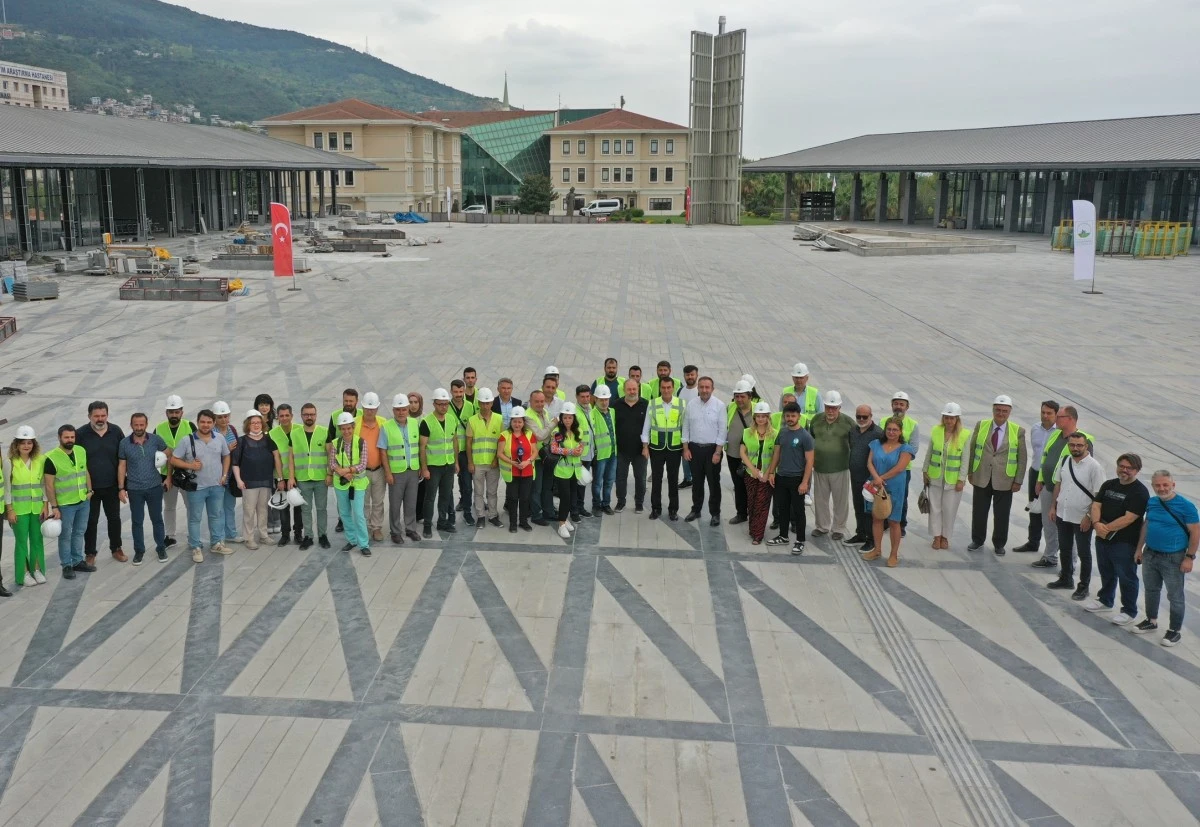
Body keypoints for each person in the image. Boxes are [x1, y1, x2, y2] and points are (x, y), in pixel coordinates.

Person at [1134, 470, 1199, 646]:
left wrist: (1189, 557)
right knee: (1151, 589)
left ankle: (1174, 630)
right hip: (1151, 553)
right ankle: (1151, 620)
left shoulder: (1186, 506)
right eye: (1157, 485)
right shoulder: (1153, 502)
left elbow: (1195, 533)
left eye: (1165, 485)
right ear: (1153, 486)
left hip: (1174, 557)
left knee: (1175, 595)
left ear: (1173, 485)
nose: (1161, 488)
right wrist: (1139, 548)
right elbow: (1147, 525)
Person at [1085, 453, 1148, 625]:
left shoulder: (1140, 492)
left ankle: (1129, 611)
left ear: (1137, 470)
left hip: (1124, 542)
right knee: (1106, 571)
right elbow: (1096, 505)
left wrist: (1106, 528)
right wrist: (1097, 523)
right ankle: (1105, 600)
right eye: (1122, 466)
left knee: (1126, 576)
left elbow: (1130, 518)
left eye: (1129, 468)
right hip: (1102, 538)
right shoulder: (1109, 484)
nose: (1124, 470)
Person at [1031, 406, 1094, 570]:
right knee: (1048, 523)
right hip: (1049, 487)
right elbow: (1045, 458)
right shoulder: (1055, 435)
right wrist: (1040, 480)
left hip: (1067, 492)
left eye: (1059, 417)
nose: (1055, 420)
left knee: (1067, 528)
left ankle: (1071, 563)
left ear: (1071, 419)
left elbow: (1085, 469)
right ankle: (1049, 556)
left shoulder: (1084, 440)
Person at [1047, 432, 1106, 599]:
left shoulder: (1095, 467)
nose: (1075, 448)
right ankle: (1066, 578)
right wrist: (1053, 506)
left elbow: (1099, 496)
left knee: (1083, 552)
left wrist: (1089, 517)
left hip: (1082, 517)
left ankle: (1083, 586)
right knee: (1064, 548)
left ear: (1086, 446)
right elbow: (1058, 484)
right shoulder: (1064, 461)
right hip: (1062, 513)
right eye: (1072, 445)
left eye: (1079, 445)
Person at [967, 395, 1028, 555]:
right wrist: (970, 472)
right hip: (981, 476)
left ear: (1010, 412)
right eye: (998, 410)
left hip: (1005, 479)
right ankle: (977, 540)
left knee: (1002, 514)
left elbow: (1022, 458)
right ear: (993, 409)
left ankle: (999, 543)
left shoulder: (1018, 431)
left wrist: (1018, 480)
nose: (1001, 413)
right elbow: (972, 450)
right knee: (979, 511)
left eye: (1004, 411)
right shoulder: (981, 425)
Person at [169, 409, 232, 563]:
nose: (205, 425)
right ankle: (195, 546)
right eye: (203, 422)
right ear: (197, 422)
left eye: (209, 422)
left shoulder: (220, 438)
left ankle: (216, 543)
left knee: (216, 515)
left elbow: (226, 456)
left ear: (213, 423)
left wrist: (224, 475)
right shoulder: (187, 440)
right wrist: (190, 465)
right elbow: (174, 459)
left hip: (216, 485)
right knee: (195, 518)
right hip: (196, 487)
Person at [77, 401, 126, 565]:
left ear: (107, 415)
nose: (100, 419)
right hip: (90, 489)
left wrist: (122, 486)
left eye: (103, 415)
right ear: (89, 415)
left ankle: (116, 548)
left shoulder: (116, 431)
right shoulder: (81, 434)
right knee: (91, 521)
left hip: (112, 486)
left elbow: (123, 459)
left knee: (114, 518)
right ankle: (90, 553)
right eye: (96, 416)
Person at [863, 416, 916, 567]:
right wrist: (876, 478)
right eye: (889, 429)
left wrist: (880, 478)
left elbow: (900, 468)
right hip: (877, 486)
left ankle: (893, 554)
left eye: (895, 430)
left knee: (894, 521)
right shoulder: (875, 444)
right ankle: (877, 549)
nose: (891, 432)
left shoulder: (905, 449)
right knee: (877, 518)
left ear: (900, 432)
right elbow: (869, 463)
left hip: (895, 488)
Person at [118, 413, 169, 565]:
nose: (139, 428)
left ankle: (161, 547)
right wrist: (121, 488)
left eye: (142, 425)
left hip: (154, 487)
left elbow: (169, 454)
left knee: (157, 519)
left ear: (146, 425)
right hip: (134, 489)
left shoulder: (155, 440)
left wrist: (168, 477)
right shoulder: (124, 443)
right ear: (131, 425)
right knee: (137, 521)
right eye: (136, 425)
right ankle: (139, 551)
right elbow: (122, 466)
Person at [765, 402, 815, 555]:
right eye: (787, 416)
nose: (790, 418)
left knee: (799, 511)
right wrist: (772, 472)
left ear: (799, 416)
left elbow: (810, 461)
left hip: (797, 479)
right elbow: (777, 454)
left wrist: (805, 482)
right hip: (782, 477)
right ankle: (783, 535)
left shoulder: (805, 436)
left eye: (793, 416)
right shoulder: (782, 432)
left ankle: (800, 540)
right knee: (783, 508)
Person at [44, 424, 93, 577]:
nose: (70, 440)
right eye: (66, 437)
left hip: (83, 500)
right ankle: (66, 565)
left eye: (72, 437)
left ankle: (78, 561)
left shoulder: (81, 450)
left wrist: (90, 491)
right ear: (59, 438)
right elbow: (49, 485)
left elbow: (85, 471)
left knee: (79, 532)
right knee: (65, 535)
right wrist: (55, 507)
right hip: (65, 504)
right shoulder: (51, 457)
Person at [231, 410, 284, 551]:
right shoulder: (242, 441)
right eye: (253, 422)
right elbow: (235, 463)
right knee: (249, 511)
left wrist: (280, 477)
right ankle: (248, 538)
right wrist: (238, 480)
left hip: (265, 481)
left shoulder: (268, 440)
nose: (256, 425)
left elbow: (276, 457)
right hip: (249, 483)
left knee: (263, 510)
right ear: (248, 424)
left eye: (258, 422)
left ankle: (263, 535)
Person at [922, 403, 971, 550]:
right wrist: (925, 470)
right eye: (946, 417)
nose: (949, 421)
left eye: (952, 418)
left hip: (953, 479)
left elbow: (965, 459)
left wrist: (962, 479)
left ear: (957, 419)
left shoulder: (964, 435)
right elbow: (929, 452)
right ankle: (936, 536)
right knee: (935, 507)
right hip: (935, 475)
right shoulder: (936, 430)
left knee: (949, 509)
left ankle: (945, 537)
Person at [1014, 401, 1059, 554]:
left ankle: (1051, 548)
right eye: (1043, 412)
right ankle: (1033, 542)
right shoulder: (1035, 428)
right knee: (1034, 508)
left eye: (1049, 413)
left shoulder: (1059, 432)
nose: (1045, 416)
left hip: (1052, 477)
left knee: (1050, 512)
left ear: (1056, 415)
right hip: (1035, 472)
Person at [808, 390, 854, 540]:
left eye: (834, 407)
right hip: (820, 467)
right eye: (828, 407)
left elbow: (855, 442)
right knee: (820, 499)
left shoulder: (848, 422)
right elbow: (811, 438)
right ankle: (822, 526)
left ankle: (839, 528)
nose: (831, 411)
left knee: (840, 499)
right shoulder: (816, 419)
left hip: (840, 468)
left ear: (840, 407)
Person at [4, 426, 47, 586]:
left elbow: (43, 484)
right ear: (16, 444)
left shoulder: (39, 460)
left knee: (37, 539)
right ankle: (24, 574)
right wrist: (10, 510)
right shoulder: (10, 463)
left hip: (36, 508)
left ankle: (37, 570)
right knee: (22, 542)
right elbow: (8, 488)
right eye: (23, 443)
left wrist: (45, 505)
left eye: (29, 442)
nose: (26, 446)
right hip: (18, 510)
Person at [682, 375, 726, 526]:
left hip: (712, 450)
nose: (704, 390)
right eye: (701, 387)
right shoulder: (691, 405)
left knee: (714, 483)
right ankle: (696, 509)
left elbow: (722, 431)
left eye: (707, 387)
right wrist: (686, 448)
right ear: (698, 389)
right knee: (697, 483)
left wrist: (718, 452)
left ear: (712, 389)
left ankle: (715, 513)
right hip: (694, 449)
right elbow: (686, 427)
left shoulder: (719, 406)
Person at [642, 375, 685, 520]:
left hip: (674, 448)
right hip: (657, 448)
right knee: (657, 479)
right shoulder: (652, 403)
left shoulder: (681, 404)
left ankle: (673, 509)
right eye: (663, 388)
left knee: (673, 480)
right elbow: (646, 426)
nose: (666, 390)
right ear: (660, 388)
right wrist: (645, 446)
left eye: (669, 387)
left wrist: (685, 448)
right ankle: (656, 508)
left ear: (673, 388)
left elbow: (685, 428)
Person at [381, 393, 422, 544]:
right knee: (395, 504)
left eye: (403, 409)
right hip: (396, 472)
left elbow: (418, 446)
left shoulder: (414, 423)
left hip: (412, 470)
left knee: (411, 502)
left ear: (408, 410)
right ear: (393, 410)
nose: (401, 412)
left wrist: (419, 466)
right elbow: (383, 451)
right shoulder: (386, 427)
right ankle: (395, 531)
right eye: (398, 409)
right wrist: (387, 472)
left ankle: (411, 529)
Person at [419, 388, 459, 537]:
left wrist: (456, 462)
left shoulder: (451, 419)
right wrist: (424, 468)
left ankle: (442, 522)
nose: (443, 406)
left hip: (448, 465)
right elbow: (422, 447)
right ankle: (427, 525)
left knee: (446, 495)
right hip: (433, 466)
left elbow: (454, 440)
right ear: (434, 404)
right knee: (430, 497)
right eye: (440, 404)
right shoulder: (426, 422)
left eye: (446, 404)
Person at [330, 411, 371, 556]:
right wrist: (340, 471)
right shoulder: (336, 443)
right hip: (341, 484)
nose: (346, 431)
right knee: (345, 513)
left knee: (358, 514)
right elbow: (332, 462)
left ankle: (364, 544)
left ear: (353, 427)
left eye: (349, 428)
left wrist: (348, 470)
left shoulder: (361, 442)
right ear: (340, 429)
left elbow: (363, 464)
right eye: (343, 428)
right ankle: (352, 540)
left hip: (357, 484)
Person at [291, 403, 330, 549]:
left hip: (320, 478)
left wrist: (330, 473)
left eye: (312, 414)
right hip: (302, 478)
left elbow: (330, 454)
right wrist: (291, 477)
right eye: (306, 414)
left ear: (316, 415)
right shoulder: (295, 434)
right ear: (301, 416)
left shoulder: (324, 432)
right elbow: (291, 457)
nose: (309, 417)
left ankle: (322, 535)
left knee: (321, 508)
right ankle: (308, 536)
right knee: (305, 510)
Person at [155, 394, 192, 548]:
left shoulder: (190, 426)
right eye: (171, 412)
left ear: (182, 412)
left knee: (191, 506)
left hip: (187, 474)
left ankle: (193, 535)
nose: (174, 415)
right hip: (166, 475)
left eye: (177, 412)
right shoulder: (159, 429)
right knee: (169, 506)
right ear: (166, 413)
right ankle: (169, 536)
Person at [740, 402, 776, 544]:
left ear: (768, 418)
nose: (761, 419)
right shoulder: (747, 432)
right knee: (752, 501)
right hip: (751, 472)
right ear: (754, 418)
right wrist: (753, 470)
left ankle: (758, 534)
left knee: (762, 502)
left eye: (764, 416)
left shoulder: (775, 434)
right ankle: (753, 528)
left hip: (768, 472)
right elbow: (742, 452)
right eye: (758, 416)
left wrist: (768, 472)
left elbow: (776, 455)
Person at [467, 387, 504, 528]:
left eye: (487, 403)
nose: (485, 406)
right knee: (478, 491)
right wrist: (470, 462)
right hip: (477, 463)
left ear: (492, 403)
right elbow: (469, 443)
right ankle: (481, 516)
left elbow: (501, 441)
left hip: (493, 463)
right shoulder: (472, 420)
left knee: (492, 491)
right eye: (482, 403)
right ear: (478, 403)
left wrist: (496, 459)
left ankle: (493, 515)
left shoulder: (499, 419)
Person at [850, 405, 885, 551]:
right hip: (855, 476)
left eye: (865, 417)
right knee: (858, 506)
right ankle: (860, 534)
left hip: (870, 478)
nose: (861, 419)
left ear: (871, 416)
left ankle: (871, 540)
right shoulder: (853, 430)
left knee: (869, 510)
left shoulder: (878, 433)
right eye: (859, 416)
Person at [269, 404, 304, 546]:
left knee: (298, 507)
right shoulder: (272, 434)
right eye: (281, 416)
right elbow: (274, 458)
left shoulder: (300, 430)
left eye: (286, 415)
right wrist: (280, 479)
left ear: (291, 416)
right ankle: (285, 534)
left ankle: (298, 534)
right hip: (281, 476)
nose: (284, 418)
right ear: (278, 417)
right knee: (283, 507)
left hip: (298, 475)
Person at [327, 388, 361, 535]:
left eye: (351, 401)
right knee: (341, 497)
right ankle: (342, 520)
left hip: (357, 463)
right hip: (340, 463)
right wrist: (333, 466)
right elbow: (329, 440)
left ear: (356, 402)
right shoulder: (335, 416)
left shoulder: (362, 415)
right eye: (346, 400)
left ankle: (357, 522)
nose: (348, 403)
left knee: (357, 497)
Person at [354, 392, 387, 543]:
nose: (370, 411)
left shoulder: (383, 423)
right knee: (364, 501)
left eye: (373, 408)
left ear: (378, 408)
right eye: (367, 408)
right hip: (362, 471)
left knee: (378, 500)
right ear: (362, 407)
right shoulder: (355, 424)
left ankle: (377, 527)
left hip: (379, 470)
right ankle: (365, 526)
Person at [498, 406, 537, 532]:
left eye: (519, 421)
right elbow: (500, 453)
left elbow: (535, 452)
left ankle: (523, 522)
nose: (517, 424)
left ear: (523, 422)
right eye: (514, 421)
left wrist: (528, 461)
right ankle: (513, 523)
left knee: (525, 498)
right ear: (510, 422)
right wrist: (512, 463)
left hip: (527, 471)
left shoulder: (530, 435)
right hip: (512, 472)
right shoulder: (504, 435)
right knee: (513, 498)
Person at [550, 403, 585, 539]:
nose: (567, 421)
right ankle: (561, 524)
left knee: (571, 496)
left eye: (570, 418)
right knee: (565, 497)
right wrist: (570, 451)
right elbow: (554, 448)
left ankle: (565, 519)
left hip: (574, 470)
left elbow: (581, 446)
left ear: (574, 418)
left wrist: (579, 451)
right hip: (562, 471)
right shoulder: (558, 432)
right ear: (562, 418)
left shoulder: (579, 431)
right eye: (565, 418)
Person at [615, 378, 648, 513]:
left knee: (640, 478)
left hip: (640, 451)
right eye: (629, 389)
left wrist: (647, 447)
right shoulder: (616, 405)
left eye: (634, 389)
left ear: (638, 389)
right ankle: (621, 502)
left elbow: (649, 427)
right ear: (624, 390)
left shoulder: (646, 405)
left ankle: (639, 503)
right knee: (620, 478)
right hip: (621, 450)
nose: (632, 391)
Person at [889, 392, 920, 534]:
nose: (898, 407)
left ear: (907, 406)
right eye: (896, 404)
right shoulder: (884, 421)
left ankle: (900, 524)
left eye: (901, 404)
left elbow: (913, 448)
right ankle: (885, 521)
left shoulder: (913, 425)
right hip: (885, 467)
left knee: (901, 497)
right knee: (884, 495)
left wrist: (899, 461)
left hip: (903, 469)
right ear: (891, 405)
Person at [725, 380, 755, 525]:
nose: (739, 399)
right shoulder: (730, 407)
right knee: (738, 485)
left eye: (742, 396)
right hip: (733, 454)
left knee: (753, 486)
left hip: (752, 458)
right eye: (736, 396)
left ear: (750, 396)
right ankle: (741, 513)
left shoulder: (758, 410)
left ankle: (755, 514)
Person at [448, 379, 477, 525]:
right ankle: (449, 513)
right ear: (451, 392)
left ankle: (467, 512)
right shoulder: (446, 407)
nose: (458, 394)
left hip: (465, 451)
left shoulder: (470, 406)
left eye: (461, 391)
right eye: (455, 391)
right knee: (448, 485)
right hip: (449, 451)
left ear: (464, 391)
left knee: (467, 483)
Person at [211, 402, 241, 543]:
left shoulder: (232, 430)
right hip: (217, 476)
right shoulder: (212, 433)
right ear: (215, 418)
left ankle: (231, 534)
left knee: (229, 507)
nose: (224, 420)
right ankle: (219, 536)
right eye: (220, 417)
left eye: (226, 416)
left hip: (230, 476)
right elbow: (210, 454)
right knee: (218, 509)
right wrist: (227, 449)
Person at [524, 391, 554, 525]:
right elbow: (540, 435)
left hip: (547, 455)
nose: (540, 404)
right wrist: (553, 424)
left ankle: (548, 511)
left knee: (548, 486)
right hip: (536, 457)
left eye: (542, 401)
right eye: (537, 401)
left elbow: (549, 433)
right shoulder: (528, 416)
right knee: (537, 488)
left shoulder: (545, 413)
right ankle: (536, 515)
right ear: (530, 402)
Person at [254, 394, 281, 537]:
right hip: (260, 464)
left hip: (275, 463)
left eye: (266, 404)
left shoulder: (276, 422)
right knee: (263, 495)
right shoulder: (253, 421)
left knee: (276, 492)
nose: (264, 407)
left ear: (271, 406)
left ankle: (277, 520)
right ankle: (267, 522)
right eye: (261, 404)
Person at [589, 385, 617, 514]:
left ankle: (606, 504)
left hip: (612, 453)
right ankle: (596, 504)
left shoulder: (612, 411)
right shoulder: (592, 414)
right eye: (601, 399)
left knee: (609, 481)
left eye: (606, 399)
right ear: (595, 399)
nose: (604, 402)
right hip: (600, 455)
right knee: (597, 482)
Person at [572, 385, 595, 519]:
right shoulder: (575, 412)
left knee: (582, 483)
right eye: (582, 397)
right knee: (577, 484)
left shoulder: (590, 408)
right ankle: (575, 511)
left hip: (589, 453)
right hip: (580, 455)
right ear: (577, 397)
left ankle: (580, 507)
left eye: (588, 396)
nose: (586, 399)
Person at [678, 365, 700, 488]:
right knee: (684, 454)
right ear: (684, 376)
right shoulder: (680, 391)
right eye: (687, 375)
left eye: (692, 374)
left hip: (696, 429)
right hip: (682, 428)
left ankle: (696, 478)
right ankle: (688, 478)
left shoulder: (699, 390)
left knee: (695, 455)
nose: (690, 377)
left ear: (696, 375)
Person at [409, 393, 426, 525]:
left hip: (422, 459)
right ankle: (409, 515)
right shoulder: (404, 418)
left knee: (422, 490)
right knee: (409, 491)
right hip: (408, 460)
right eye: (410, 402)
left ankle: (420, 514)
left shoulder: (424, 418)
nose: (413, 405)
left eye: (416, 402)